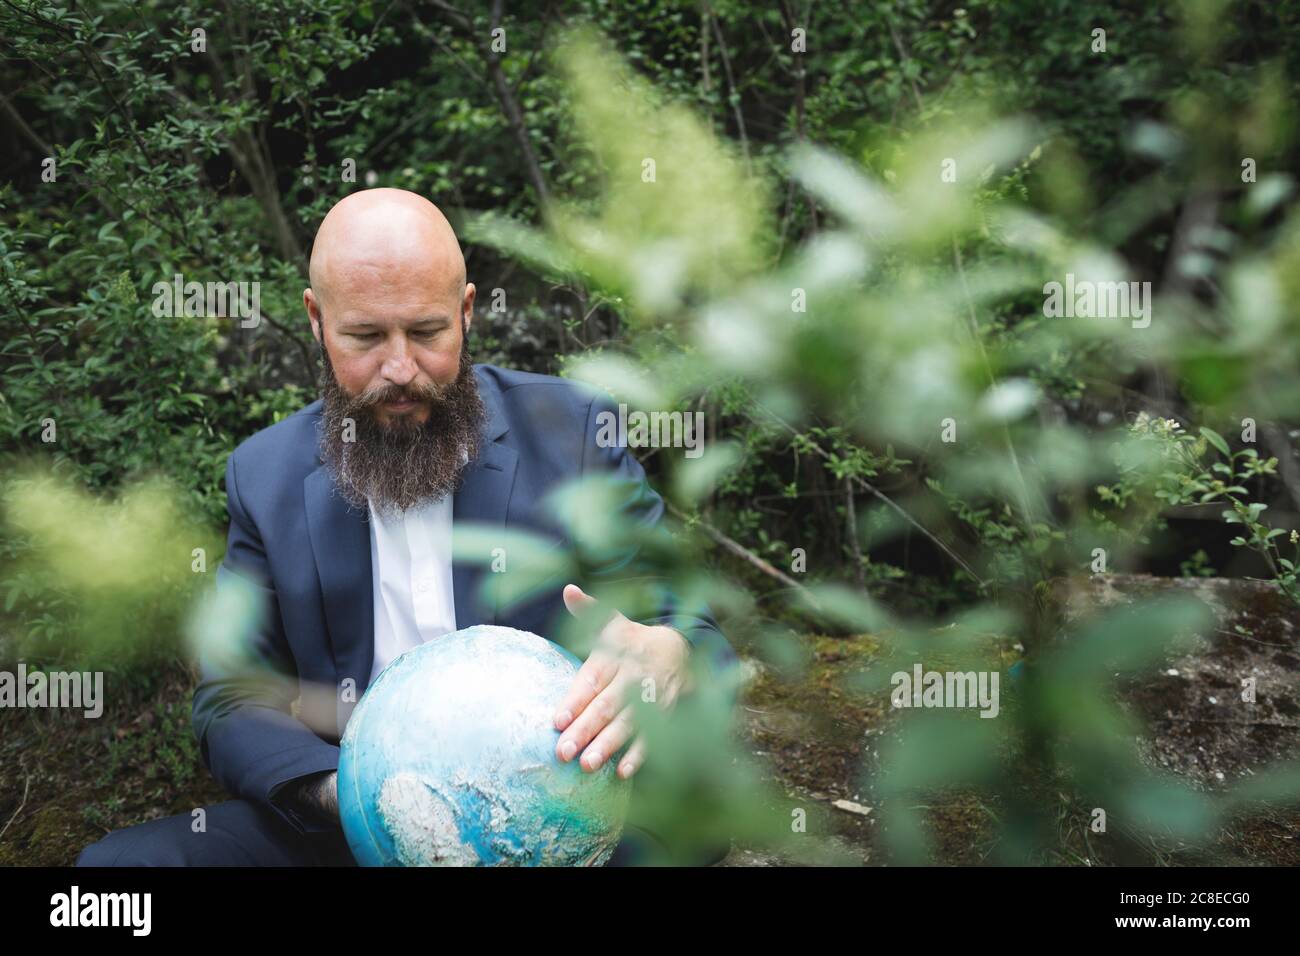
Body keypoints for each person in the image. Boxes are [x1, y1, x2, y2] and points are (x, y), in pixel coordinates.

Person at [76, 188, 736, 866]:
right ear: (316, 320)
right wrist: (351, 793)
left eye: (427, 333)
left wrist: (669, 656)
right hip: (350, 826)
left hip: (560, 822)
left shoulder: (573, 436)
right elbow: (231, 695)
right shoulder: (263, 475)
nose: (400, 370)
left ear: (467, 312)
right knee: (118, 874)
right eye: (365, 337)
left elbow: (698, 640)